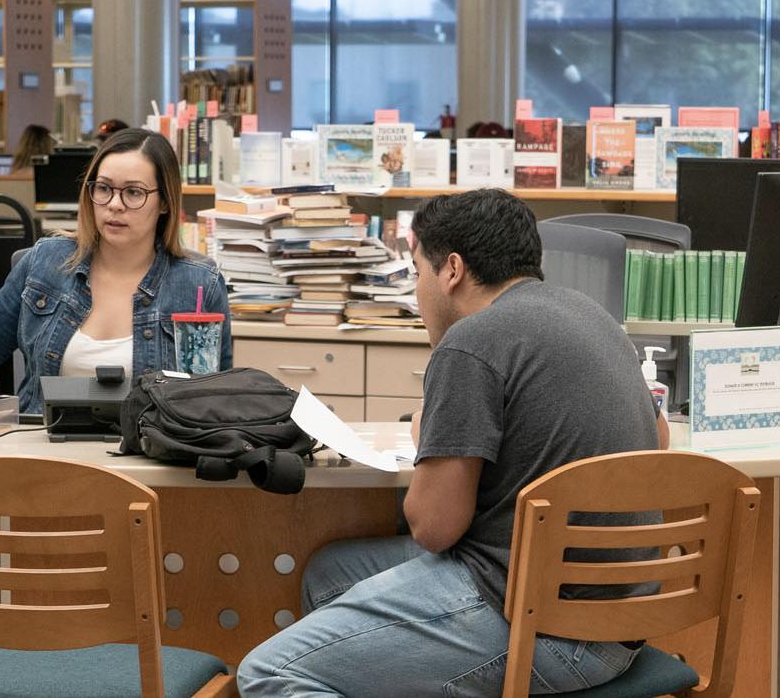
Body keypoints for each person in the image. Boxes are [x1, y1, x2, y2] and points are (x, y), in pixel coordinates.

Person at [238, 189, 669, 697]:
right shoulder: (593, 317)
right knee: (330, 574)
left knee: (269, 672)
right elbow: (657, 439)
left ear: (452, 270)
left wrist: (430, 436)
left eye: (418, 271)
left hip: (544, 628)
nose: (418, 290)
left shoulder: (472, 342)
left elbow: (433, 528)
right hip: (621, 618)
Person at [0, 128, 232, 413]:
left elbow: (220, 398)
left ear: (164, 202)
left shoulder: (198, 284)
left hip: (148, 463)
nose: (115, 204)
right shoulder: (45, 263)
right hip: (45, 456)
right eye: (104, 188)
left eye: (134, 192)